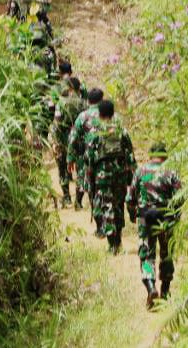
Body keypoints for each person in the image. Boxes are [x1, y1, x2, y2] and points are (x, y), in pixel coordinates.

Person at [127, 142, 182, 309]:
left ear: (151, 155)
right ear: (164, 155)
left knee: (146, 254)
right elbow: (180, 197)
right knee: (166, 253)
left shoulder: (140, 171)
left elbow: (130, 198)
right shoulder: (171, 172)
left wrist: (132, 214)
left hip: (145, 218)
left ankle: (151, 288)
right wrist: (176, 216)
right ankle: (165, 291)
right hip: (166, 218)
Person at [85, 100, 136, 254]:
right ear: (113, 113)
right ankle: (118, 240)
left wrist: (89, 180)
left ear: (99, 115)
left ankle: (112, 244)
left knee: (106, 207)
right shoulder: (122, 131)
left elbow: (89, 158)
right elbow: (130, 156)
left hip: (103, 177)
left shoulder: (95, 132)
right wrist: (131, 176)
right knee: (118, 206)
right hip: (120, 175)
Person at [68, 88, 103, 216]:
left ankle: (83, 205)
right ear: (102, 99)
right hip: (105, 156)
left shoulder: (82, 116)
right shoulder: (107, 115)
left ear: (88, 100)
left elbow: (73, 138)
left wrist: (70, 158)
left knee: (84, 179)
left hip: (86, 156)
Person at [53, 77, 85, 208]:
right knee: (81, 170)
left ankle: (67, 198)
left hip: (63, 139)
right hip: (80, 142)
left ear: (70, 88)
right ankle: (78, 201)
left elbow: (57, 122)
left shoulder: (61, 103)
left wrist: (55, 141)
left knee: (63, 169)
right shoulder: (84, 103)